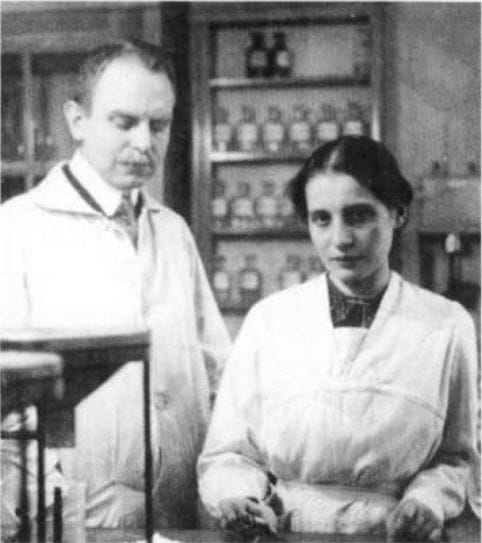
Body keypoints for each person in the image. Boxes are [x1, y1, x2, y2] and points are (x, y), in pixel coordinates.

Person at [198, 135, 479, 541]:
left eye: (359, 216)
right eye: (322, 219)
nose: (340, 239)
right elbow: (229, 454)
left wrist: (427, 501)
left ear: (397, 213)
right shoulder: (269, 321)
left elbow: (458, 458)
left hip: (394, 535)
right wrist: (240, 498)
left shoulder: (446, 324)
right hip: (285, 533)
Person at [0, 40, 231, 531]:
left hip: (181, 511)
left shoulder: (171, 230)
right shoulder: (17, 229)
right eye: (124, 122)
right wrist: (57, 502)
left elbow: (217, 369)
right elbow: (7, 397)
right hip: (78, 514)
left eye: (159, 124)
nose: (145, 143)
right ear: (76, 120)